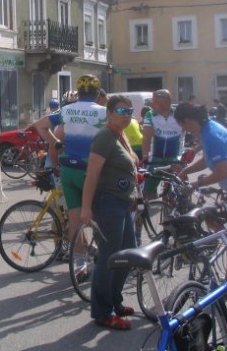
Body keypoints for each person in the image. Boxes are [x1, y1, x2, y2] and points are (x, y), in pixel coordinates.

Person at [81, 95, 138, 331]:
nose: (127, 115)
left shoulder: (120, 134)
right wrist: (86, 208)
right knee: (108, 258)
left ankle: (115, 300)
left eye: (129, 111)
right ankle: (103, 311)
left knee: (127, 254)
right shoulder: (104, 136)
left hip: (122, 202)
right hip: (107, 203)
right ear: (109, 112)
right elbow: (92, 174)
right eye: (121, 111)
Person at [32, 75, 107, 245]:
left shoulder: (67, 110)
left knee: (74, 221)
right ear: (97, 94)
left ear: (79, 93)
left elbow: (39, 125)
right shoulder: (103, 112)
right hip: (91, 171)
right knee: (100, 218)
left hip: (68, 169)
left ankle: (79, 263)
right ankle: (100, 259)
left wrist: (56, 144)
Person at [175, 102, 227, 224]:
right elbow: (206, 160)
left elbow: (223, 172)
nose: (183, 129)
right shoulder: (207, 128)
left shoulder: (211, 136)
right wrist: (185, 171)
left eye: (182, 125)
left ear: (187, 120)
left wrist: (195, 184)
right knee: (221, 224)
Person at [141, 89, 184, 199]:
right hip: (156, 159)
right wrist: (145, 157)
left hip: (175, 158)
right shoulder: (150, 115)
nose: (152, 104)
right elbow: (146, 138)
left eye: (155, 102)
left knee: (182, 190)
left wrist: (190, 153)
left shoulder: (179, 115)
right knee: (146, 194)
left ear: (166, 102)